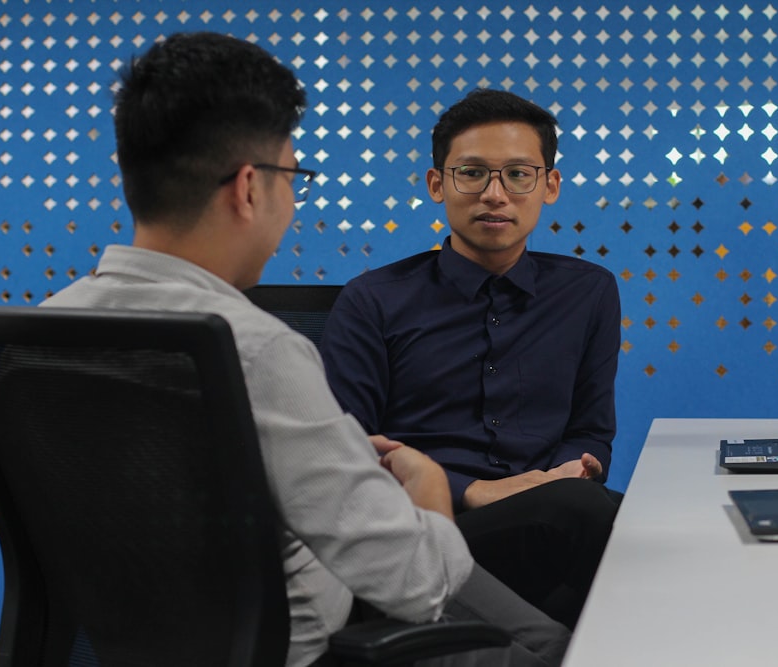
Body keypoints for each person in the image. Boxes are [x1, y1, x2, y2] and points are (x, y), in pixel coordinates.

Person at [41, 33, 568, 667]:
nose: (292, 199)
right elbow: (419, 584)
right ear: (248, 189)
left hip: (129, 648)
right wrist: (429, 491)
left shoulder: (44, 333)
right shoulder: (254, 350)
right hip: (303, 650)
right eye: (293, 176)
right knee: (558, 649)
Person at [321, 88, 622, 630]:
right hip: (426, 533)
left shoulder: (588, 292)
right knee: (582, 517)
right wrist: (473, 490)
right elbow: (345, 458)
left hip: (552, 516)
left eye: (518, 174)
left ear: (549, 185)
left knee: (629, 527)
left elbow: (592, 429)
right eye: (472, 173)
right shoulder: (373, 300)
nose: (495, 194)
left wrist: (578, 466)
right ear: (439, 183)